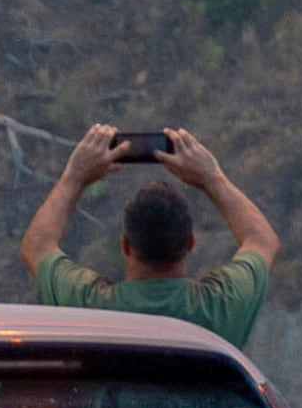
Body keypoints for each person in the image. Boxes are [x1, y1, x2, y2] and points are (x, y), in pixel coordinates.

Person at [16, 124, 280, 344]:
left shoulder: (93, 310)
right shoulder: (219, 307)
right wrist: (212, 178)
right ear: (190, 243)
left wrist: (75, 176)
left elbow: (37, 246)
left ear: (125, 245)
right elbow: (262, 240)